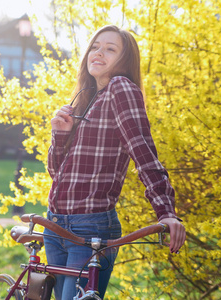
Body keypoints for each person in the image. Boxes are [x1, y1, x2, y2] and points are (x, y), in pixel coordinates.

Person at [44, 25, 186, 300]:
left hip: (90, 228)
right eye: (96, 47)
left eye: (110, 49)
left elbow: (142, 150)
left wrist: (166, 211)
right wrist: (60, 135)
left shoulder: (121, 88)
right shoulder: (85, 100)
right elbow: (56, 173)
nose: (99, 53)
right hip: (55, 224)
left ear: (124, 60)